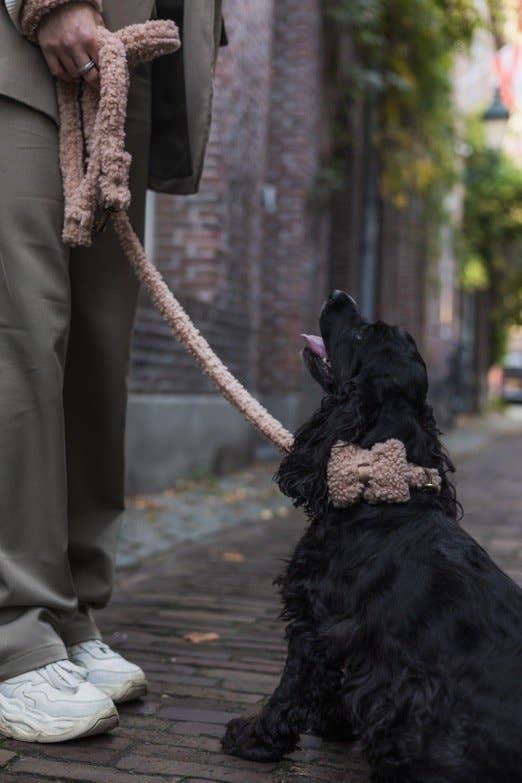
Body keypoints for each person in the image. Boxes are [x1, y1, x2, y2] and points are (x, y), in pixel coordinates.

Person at [0, 0, 224, 742]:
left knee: (97, 351)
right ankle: (12, 632)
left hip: (125, 59)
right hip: (27, 51)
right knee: (22, 335)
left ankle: (68, 611)